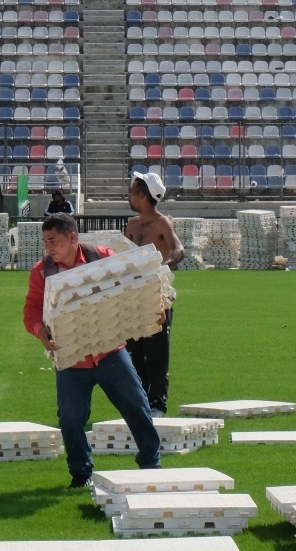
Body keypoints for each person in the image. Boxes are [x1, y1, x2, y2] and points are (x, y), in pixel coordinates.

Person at [23, 214, 161, 488]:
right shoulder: (42, 271)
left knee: (137, 406)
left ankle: (151, 464)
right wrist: (40, 330)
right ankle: (81, 473)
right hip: (71, 358)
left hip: (110, 352)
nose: (48, 247)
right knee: (70, 417)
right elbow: (30, 310)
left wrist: (152, 307)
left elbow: (132, 285)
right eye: (45, 241)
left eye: (54, 241)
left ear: (72, 238)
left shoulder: (102, 257)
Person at [124, 171, 185, 416]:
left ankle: (157, 404)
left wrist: (161, 266)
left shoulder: (161, 223)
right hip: (132, 295)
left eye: (131, 192)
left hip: (156, 294)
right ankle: (139, 403)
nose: (128, 196)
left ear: (141, 195)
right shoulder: (132, 225)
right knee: (134, 352)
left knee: (157, 353)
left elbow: (178, 250)